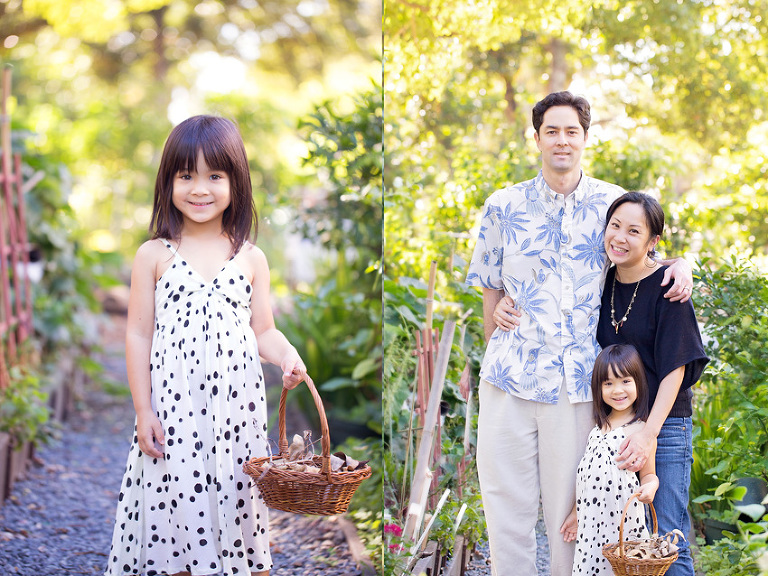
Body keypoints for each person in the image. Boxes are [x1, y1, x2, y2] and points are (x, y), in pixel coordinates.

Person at [465, 90, 692, 576]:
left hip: (576, 387)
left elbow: (646, 251)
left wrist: (685, 264)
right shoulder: (502, 205)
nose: (562, 141)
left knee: (578, 515)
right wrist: (498, 332)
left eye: (572, 131)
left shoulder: (611, 203)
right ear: (537, 139)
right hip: (509, 379)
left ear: (585, 138)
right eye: (552, 131)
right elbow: (489, 292)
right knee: (507, 511)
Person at [105, 115, 307, 576]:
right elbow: (138, 333)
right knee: (173, 510)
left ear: (236, 181)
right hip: (174, 411)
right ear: (168, 182)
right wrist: (143, 410)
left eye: (215, 175)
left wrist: (286, 356)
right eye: (186, 175)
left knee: (236, 504)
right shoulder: (154, 254)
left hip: (236, 414)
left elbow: (263, 331)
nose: (200, 188)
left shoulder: (251, 257)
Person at [593, 192, 708, 576]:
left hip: (665, 424)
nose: (620, 238)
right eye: (615, 226)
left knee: (667, 539)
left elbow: (677, 368)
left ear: (653, 241)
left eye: (634, 230)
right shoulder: (605, 279)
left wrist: (649, 434)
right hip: (620, 425)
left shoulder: (670, 288)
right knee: (627, 540)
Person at [560, 344, 659, 576]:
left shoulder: (642, 431)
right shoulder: (596, 428)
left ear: (638, 382)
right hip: (591, 527)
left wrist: (651, 487)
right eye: (608, 383)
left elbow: (649, 474)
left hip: (623, 525)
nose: (617, 390)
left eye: (625, 381)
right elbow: (587, 477)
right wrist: (576, 513)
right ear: (599, 388)